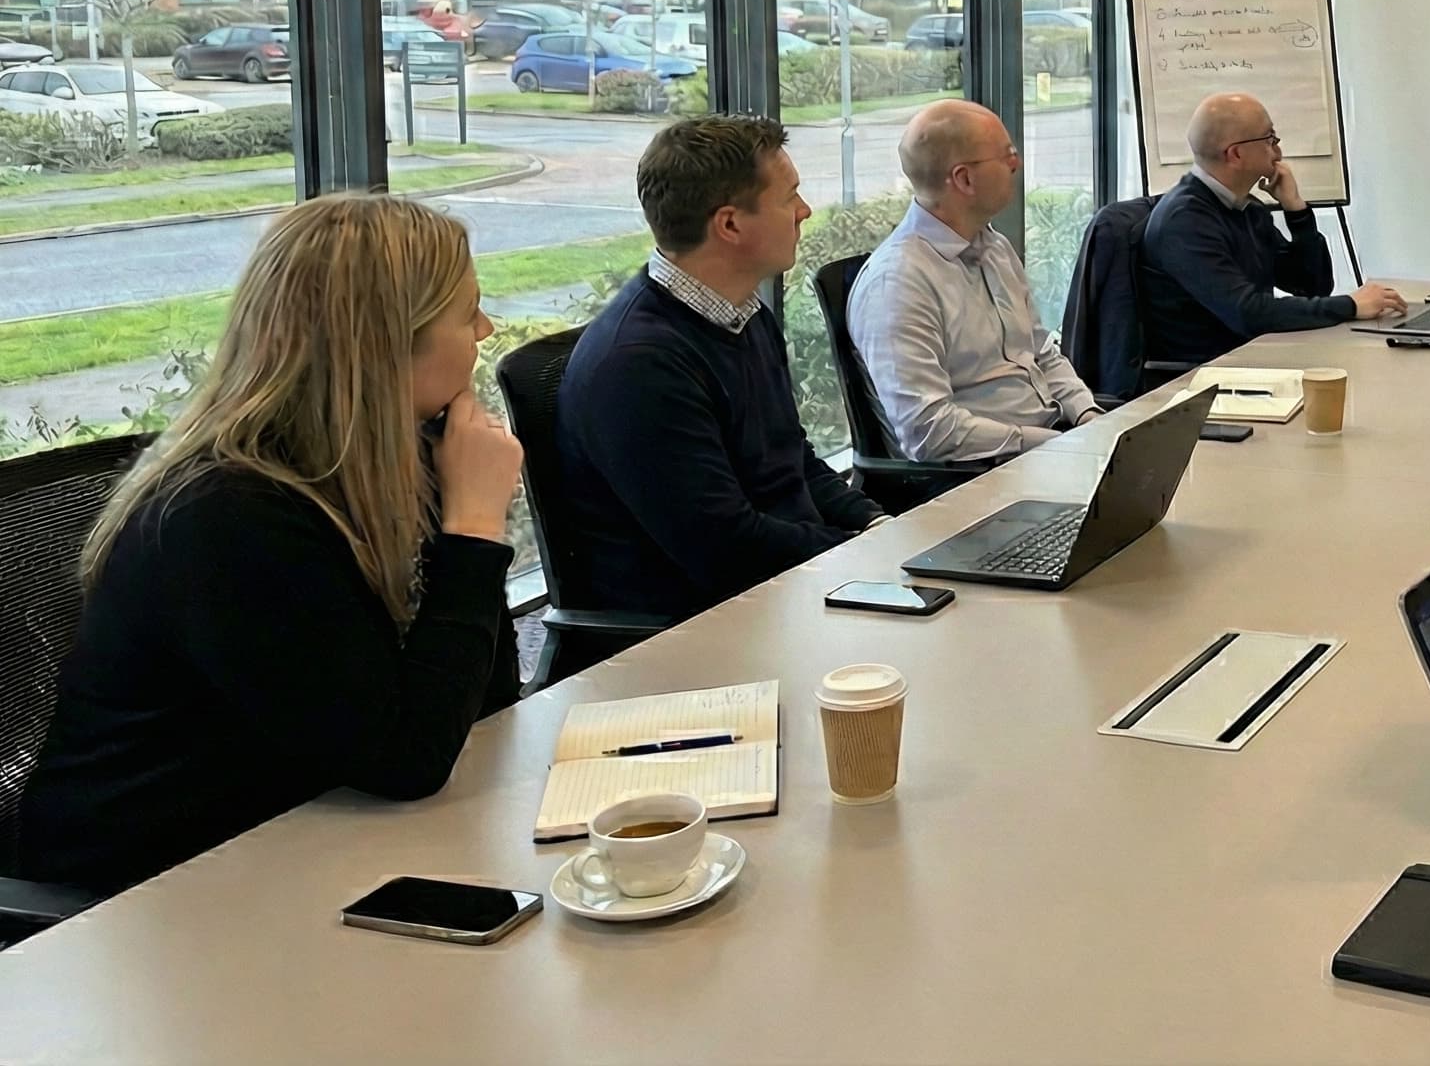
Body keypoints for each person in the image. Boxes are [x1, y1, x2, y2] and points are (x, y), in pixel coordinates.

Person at [22, 195, 524, 896]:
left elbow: (482, 699)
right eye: (468, 313)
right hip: (153, 891)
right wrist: (473, 529)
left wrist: (461, 513)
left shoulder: (387, 462)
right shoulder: (228, 516)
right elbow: (407, 759)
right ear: (386, 343)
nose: (485, 330)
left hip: (308, 833)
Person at [559, 115, 880, 621]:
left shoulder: (745, 315)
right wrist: (858, 557)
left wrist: (877, 527)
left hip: (790, 591)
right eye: (789, 198)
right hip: (705, 629)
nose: (805, 211)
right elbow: (727, 550)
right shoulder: (639, 365)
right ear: (730, 225)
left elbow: (793, 461)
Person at [849, 99, 1100, 461]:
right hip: (987, 469)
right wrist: (1051, 445)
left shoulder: (994, 247)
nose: (1016, 164)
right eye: (1007, 155)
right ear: (964, 179)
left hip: (1047, 446)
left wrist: (1088, 416)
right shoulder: (898, 283)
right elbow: (929, 431)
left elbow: (1040, 352)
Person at [1140, 91, 1406, 365]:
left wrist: (1296, 209)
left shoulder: (1246, 207)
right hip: (1204, 375)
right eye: (1270, 140)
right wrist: (1350, 305)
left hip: (1252, 357)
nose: (1278, 151)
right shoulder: (1184, 221)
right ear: (1236, 154)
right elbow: (1248, 313)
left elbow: (1312, 286)